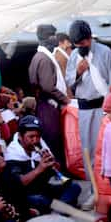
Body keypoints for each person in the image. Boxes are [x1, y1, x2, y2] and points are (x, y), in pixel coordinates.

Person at [66, 19, 111, 184]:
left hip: (104, 108)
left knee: (106, 149)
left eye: (82, 43)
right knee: (87, 150)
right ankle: (93, 190)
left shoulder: (106, 53)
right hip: (85, 110)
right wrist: (78, 72)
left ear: (89, 39)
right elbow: (69, 82)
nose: (80, 47)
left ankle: (107, 189)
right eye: (76, 45)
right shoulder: (74, 56)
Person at [2, 115, 81, 215]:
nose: (35, 140)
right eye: (31, 137)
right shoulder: (12, 154)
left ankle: (56, 213)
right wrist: (39, 169)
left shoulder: (39, 147)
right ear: (20, 137)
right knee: (40, 201)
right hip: (25, 196)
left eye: (38, 137)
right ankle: (61, 210)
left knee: (74, 187)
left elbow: (51, 175)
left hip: (43, 190)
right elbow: (18, 183)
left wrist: (54, 166)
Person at [29, 24, 69, 167]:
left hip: (45, 106)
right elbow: (48, 87)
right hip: (48, 107)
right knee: (53, 140)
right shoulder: (44, 59)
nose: (55, 39)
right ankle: (60, 174)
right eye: (53, 36)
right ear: (46, 38)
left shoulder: (39, 56)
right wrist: (66, 100)